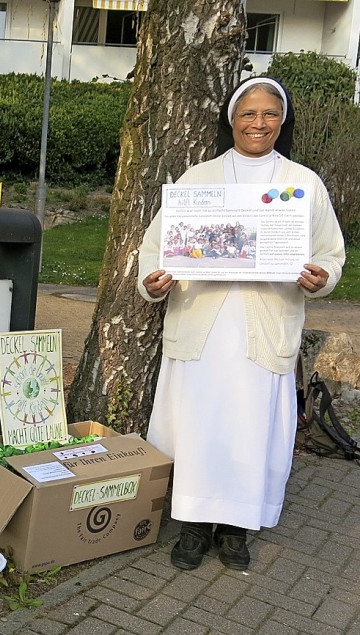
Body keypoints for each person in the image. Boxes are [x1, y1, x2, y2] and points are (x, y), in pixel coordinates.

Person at [137, 77, 346, 572]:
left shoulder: (303, 184)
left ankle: (235, 529)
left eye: (269, 114)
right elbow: (156, 243)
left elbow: (330, 254)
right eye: (248, 113)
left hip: (265, 328)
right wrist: (153, 280)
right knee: (199, 429)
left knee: (249, 432)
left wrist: (323, 277)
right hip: (202, 328)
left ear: (282, 121)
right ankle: (191, 526)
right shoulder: (198, 178)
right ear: (232, 119)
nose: (258, 123)